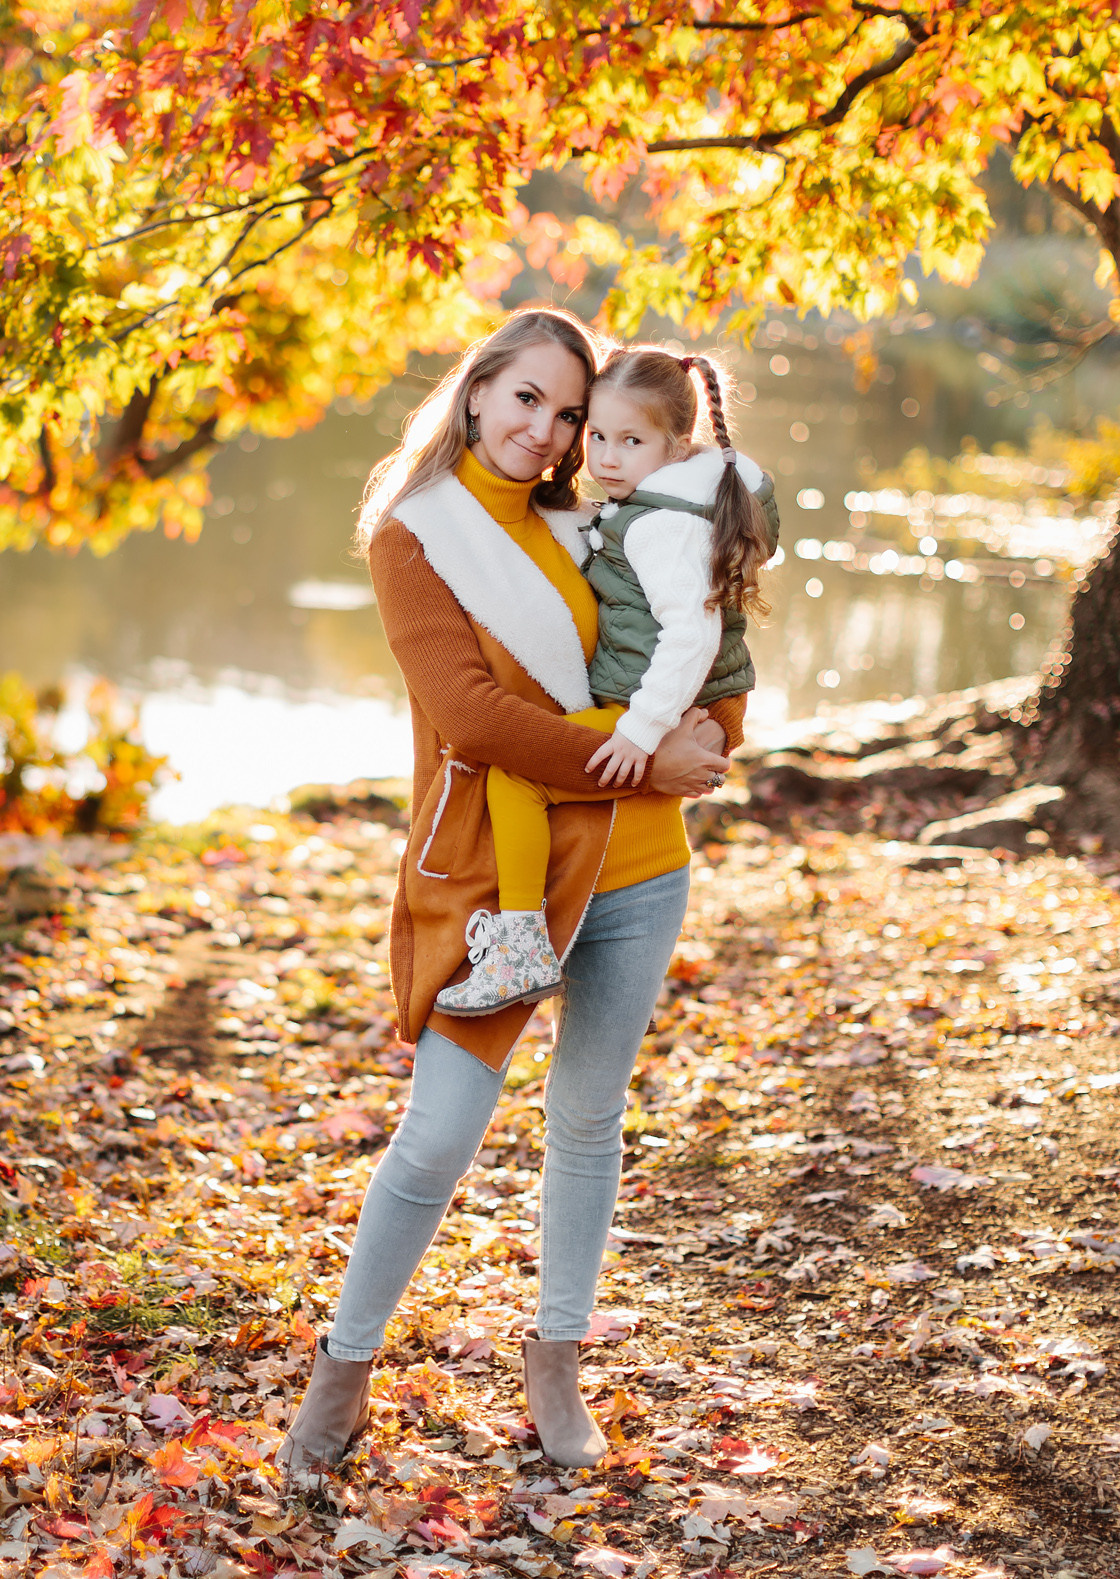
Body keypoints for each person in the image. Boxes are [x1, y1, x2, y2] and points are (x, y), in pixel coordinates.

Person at [274, 309, 744, 1481]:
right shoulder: (414, 536)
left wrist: (704, 741)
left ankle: (554, 1362)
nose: (550, 431)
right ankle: (344, 1364)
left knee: (587, 1125)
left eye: (575, 414)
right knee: (435, 1137)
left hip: (638, 866)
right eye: (529, 399)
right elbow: (473, 722)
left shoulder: (606, 523)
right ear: (478, 390)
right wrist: (643, 750)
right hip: (498, 881)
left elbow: (708, 658)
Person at [436, 346, 779, 1013]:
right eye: (596, 435)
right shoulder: (668, 507)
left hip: (660, 706)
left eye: (631, 440)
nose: (608, 457)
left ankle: (520, 944)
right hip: (674, 702)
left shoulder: (658, 527)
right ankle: (526, 937)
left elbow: (694, 632)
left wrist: (641, 731)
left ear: (678, 448)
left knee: (515, 778)